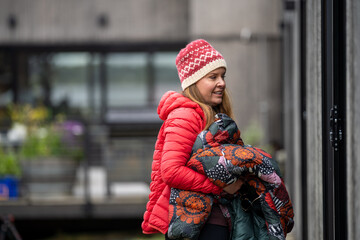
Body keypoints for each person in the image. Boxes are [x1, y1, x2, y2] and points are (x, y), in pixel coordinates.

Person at [142, 39, 244, 240]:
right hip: (198, 225)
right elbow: (171, 171)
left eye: (223, 76)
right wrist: (221, 187)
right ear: (193, 83)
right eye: (213, 77)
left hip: (209, 218)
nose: (221, 83)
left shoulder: (208, 114)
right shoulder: (185, 116)